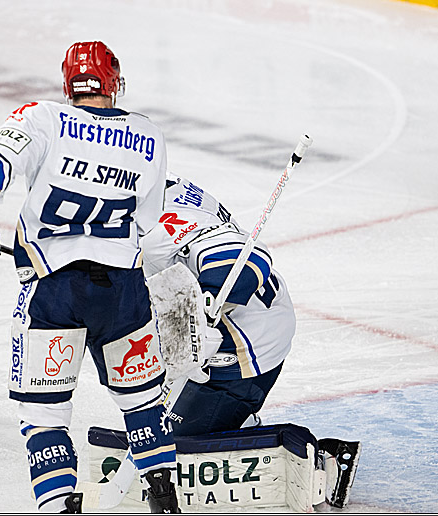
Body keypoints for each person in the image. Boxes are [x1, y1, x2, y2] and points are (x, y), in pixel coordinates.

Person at [0, 41, 180, 513]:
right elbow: (148, 219)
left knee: (45, 416)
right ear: (113, 81)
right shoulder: (148, 135)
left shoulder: (43, 117)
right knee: (143, 406)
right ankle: (165, 501)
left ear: (69, 83)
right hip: (122, 292)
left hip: (53, 289)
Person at [135, 173, 360, 509]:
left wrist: (204, 309)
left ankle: (318, 460)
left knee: (177, 453)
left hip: (245, 345)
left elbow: (242, 261)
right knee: (153, 421)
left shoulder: (160, 222)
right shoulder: (156, 189)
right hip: (244, 329)